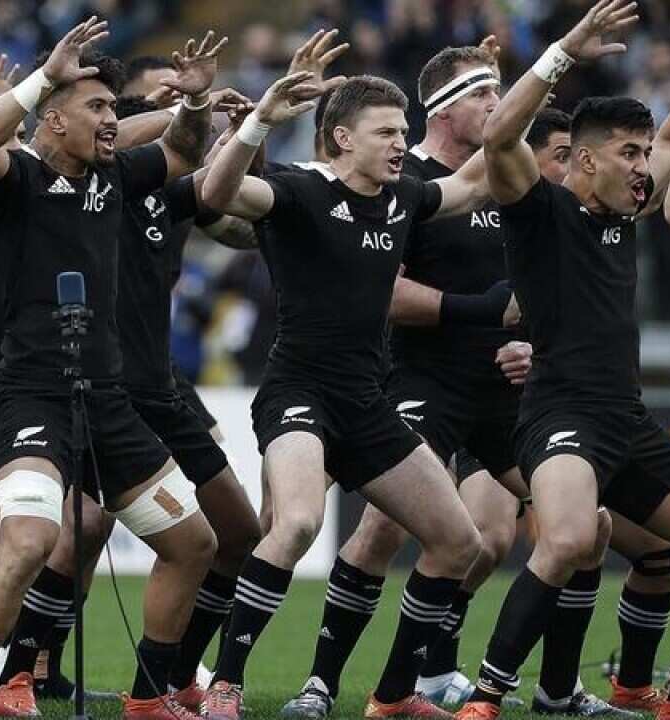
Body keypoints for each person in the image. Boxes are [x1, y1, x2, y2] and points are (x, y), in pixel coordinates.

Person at [200, 40, 501, 715]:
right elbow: (216, 192)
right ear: (343, 139)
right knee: (298, 523)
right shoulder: (300, 188)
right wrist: (260, 121)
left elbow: (477, 179)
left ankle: (393, 697)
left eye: (403, 130)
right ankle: (225, 684)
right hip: (298, 391)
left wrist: (511, 88)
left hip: (366, 403)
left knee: (460, 543)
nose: (401, 144)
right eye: (387, 133)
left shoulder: (403, 198)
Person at [0, 17, 223, 720]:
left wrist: (193, 101)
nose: (111, 120)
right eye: (97, 107)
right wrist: (43, 79)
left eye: (113, 107)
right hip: (32, 397)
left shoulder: (115, 175)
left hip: (109, 403)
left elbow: (184, 150)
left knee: (194, 544)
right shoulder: (17, 180)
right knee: (30, 541)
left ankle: (148, 699)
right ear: (54, 117)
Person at [456, 2, 670, 719]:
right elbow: (500, 135)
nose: (645, 167)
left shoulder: (626, 209)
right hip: (559, 416)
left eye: (645, 153)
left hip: (626, 421)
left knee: (660, 549)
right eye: (630, 154)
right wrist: (565, 50)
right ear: (586, 160)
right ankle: (485, 698)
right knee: (568, 538)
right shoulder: (538, 210)